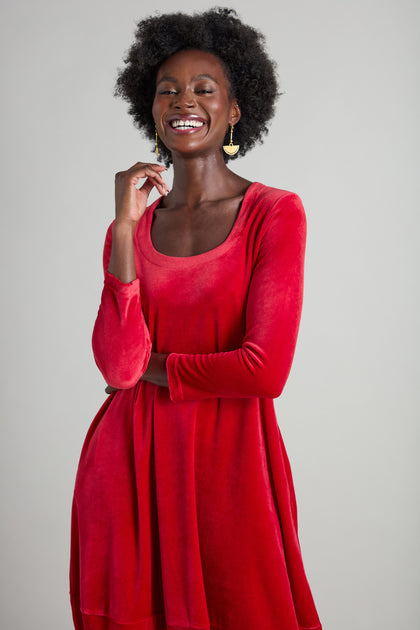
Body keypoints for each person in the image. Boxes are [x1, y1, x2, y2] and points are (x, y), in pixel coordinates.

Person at [69, 7, 322, 630]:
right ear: (150, 110)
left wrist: (149, 369)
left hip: (231, 462)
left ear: (235, 109)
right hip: (128, 462)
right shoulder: (128, 230)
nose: (185, 100)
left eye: (204, 88)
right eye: (168, 89)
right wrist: (125, 225)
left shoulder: (273, 214)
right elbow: (114, 362)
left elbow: (263, 372)